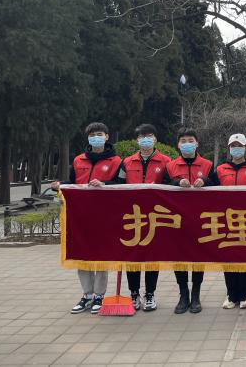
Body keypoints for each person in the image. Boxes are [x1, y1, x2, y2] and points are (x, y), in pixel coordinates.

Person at [51, 122, 121, 314]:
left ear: (107, 137)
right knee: (82, 255)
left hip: (105, 217)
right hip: (80, 217)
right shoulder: (78, 160)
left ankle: (99, 295)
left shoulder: (116, 161)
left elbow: (122, 184)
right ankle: (87, 295)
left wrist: (105, 184)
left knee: (101, 256)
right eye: (92, 135)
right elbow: (72, 183)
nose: (95, 138)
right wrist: (59, 185)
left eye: (99, 134)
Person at [206, 133, 246, 310]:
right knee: (228, 257)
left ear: (245, 148)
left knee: (244, 257)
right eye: (233, 146)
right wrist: (202, 182)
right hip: (226, 219)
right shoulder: (220, 169)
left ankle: (244, 294)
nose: (236, 149)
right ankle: (231, 295)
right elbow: (209, 186)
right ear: (229, 148)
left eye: (239, 145)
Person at [117, 123, 171, 312]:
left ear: (155, 139)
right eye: (141, 137)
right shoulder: (126, 162)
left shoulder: (166, 161)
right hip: (131, 216)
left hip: (154, 216)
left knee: (151, 256)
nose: (145, 140)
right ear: (137, 140)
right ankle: (134, 294)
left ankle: (150, 294)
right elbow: (117, 185)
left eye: (149, 136)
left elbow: (170, 186)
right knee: (132, 257)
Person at [166, 127, 213, 314]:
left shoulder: (208, 165)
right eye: (183, 141)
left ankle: (196, 295)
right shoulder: (170, 166)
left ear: (197, 143)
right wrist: (177, 183)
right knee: (179, 257)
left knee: (198, 257)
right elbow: (162, 187)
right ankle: (183, 294)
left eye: (190, 140)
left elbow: (217, 185)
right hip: (176, 220)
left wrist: (206, 182)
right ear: (178, 145)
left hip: (200, 219)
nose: (187, 144)